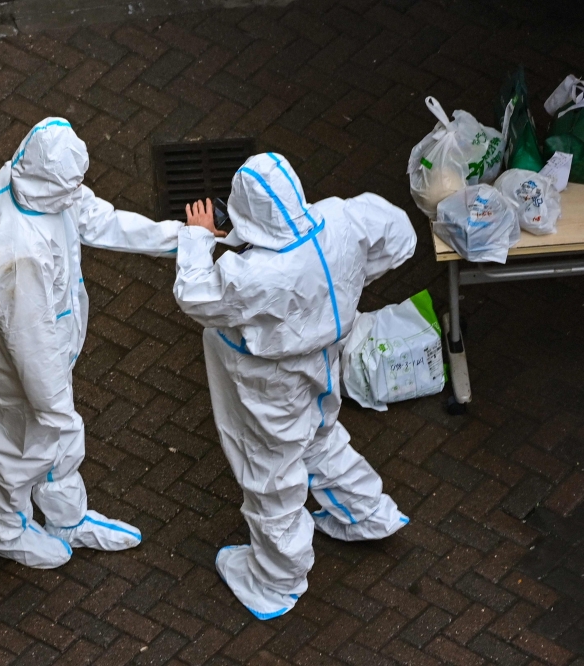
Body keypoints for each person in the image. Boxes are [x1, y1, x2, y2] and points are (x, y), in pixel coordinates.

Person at [173, 153, 417, 619]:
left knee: (270, 470)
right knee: (320, 436)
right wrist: (356, 279)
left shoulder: (254, 274)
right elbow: (400, 236)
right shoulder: (340, 217)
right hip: (326, 360)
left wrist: (196, 238)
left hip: (270, 383)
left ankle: (277, 580)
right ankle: (366, 513)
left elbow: (196, 296)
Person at [0, 117, 189, 568]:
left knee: (52, 439)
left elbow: (96, 218)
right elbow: (30, 344)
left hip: (42, 353)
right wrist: (56, 409)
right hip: (19, 366)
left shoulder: (28, 181)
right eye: (71, 187)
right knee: (21, 444)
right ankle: (3, 530)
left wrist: (180, 240)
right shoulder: (18, 252)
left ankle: (64, 517)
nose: (78, 194)